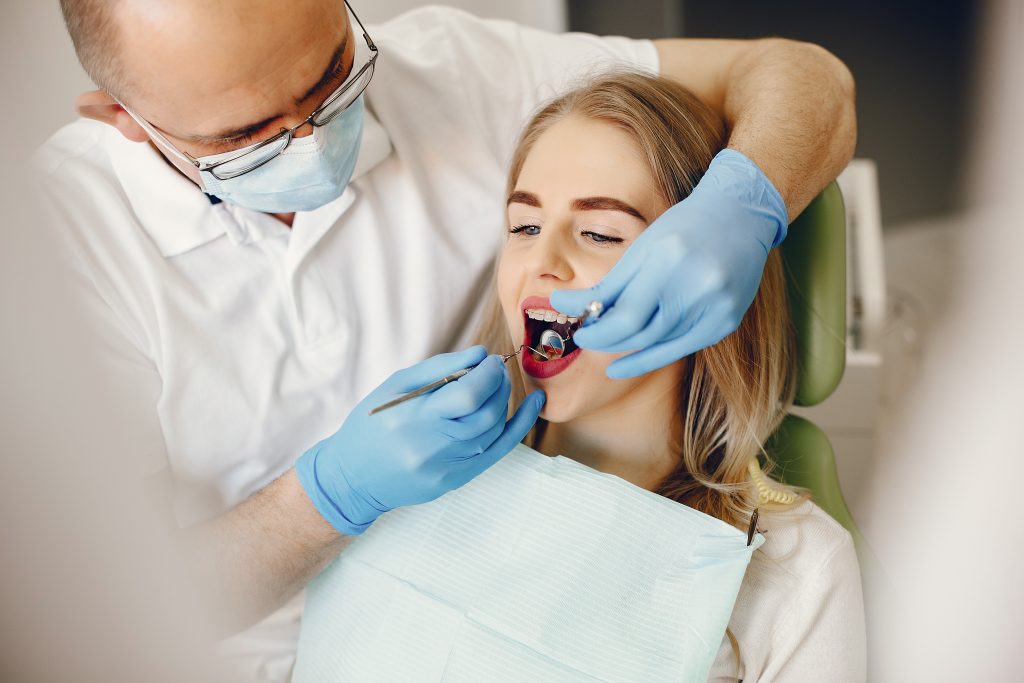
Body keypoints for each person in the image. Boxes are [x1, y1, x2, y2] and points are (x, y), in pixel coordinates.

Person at [36, 0, 855, 678]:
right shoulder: (55, 248)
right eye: (246, 135)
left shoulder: (791, 574)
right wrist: (325, 498)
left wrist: (748, 199)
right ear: (125, 121)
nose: (314, 141)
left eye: (330, 78)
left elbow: (804, 77)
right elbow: (98, 618)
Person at [295, 71, 866, 681]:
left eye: (600, 233)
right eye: (524, 226)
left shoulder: (796, 567)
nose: (542, 263)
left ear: (703, 278)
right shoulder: (402, 468)